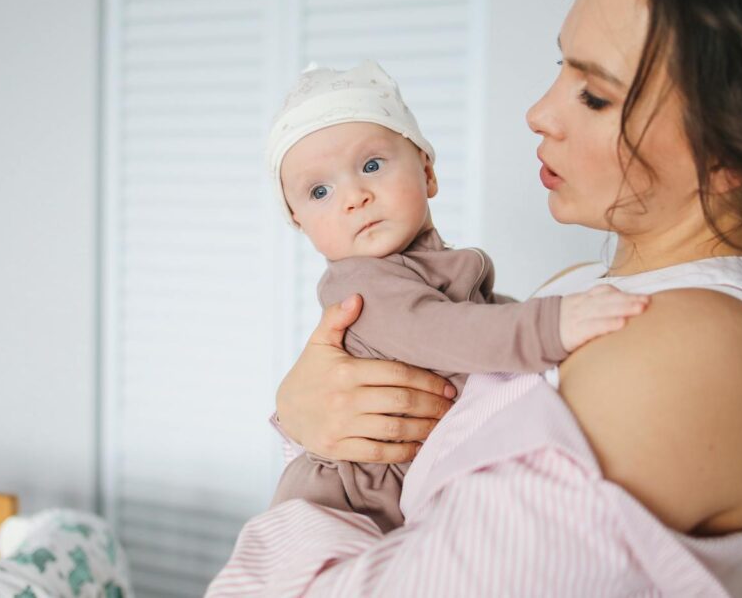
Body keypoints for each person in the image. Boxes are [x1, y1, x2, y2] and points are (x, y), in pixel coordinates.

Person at [208, 0, 742, 594]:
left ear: (737, 145)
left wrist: (286, 512)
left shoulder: (687, 350)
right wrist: (306, 412)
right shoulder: (588, 283)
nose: (539, 111)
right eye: (561, 66)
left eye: (594, 93)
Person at [264, 60, 650, 533]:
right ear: (300, 224)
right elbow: (444, 332)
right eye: (320, 191)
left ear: (427, 172)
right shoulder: (361, 284)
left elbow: (476, 324)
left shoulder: (429, 266)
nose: (354, 196)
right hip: (342, 510)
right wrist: (553, 324)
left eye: (370, 165)